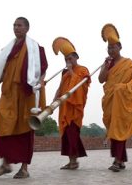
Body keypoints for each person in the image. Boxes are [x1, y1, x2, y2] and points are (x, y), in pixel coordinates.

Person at [0, 17, 48, 178]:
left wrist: (38, 82)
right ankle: (5, 164)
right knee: (3, 126)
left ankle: (24, 168)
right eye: (14, 25)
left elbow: (42, 68)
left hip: (26, 94)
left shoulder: (35, 48)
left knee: (25, 130)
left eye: (19, 25)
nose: (16, 28)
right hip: (9, 93)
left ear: (27, 28)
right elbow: (1, 72)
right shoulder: (8, 50)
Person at [98, 23, 132, 172]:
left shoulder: (130, 64)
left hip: (124, 101)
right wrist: (105, 66)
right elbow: (101, 79)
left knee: (119, 130)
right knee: (114, 129)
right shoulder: (108, 64)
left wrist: (123, 87)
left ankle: (117, 160)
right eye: (108, 48)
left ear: (120, 48)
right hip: (110, 101)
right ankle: (121, 160)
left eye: (113, 48)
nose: (111, 50)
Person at [52, 37, 90, 170]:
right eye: (66, 59)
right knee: (66, 136)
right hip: (64, 108)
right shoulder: (64, 73)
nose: (68, 61)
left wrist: (71, 71)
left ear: (76, 57)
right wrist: (54, 100)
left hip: (75, 108)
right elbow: (61, 87)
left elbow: (81, 86)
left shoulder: (83, 70)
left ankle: (74, 161)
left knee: (72, 134)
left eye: (70, 58)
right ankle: (71, 160)